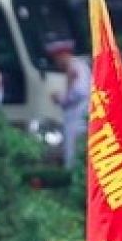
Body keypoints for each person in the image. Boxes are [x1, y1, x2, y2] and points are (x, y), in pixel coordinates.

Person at [46, 37, 91, 170]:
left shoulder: (77, 67)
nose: (56, 62)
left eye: (56, 58)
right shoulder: (73, 67)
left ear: (63, 55)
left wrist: (61, 98)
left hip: (79, 117)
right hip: (74, 117)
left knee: (74, 155)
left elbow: (80, 92)